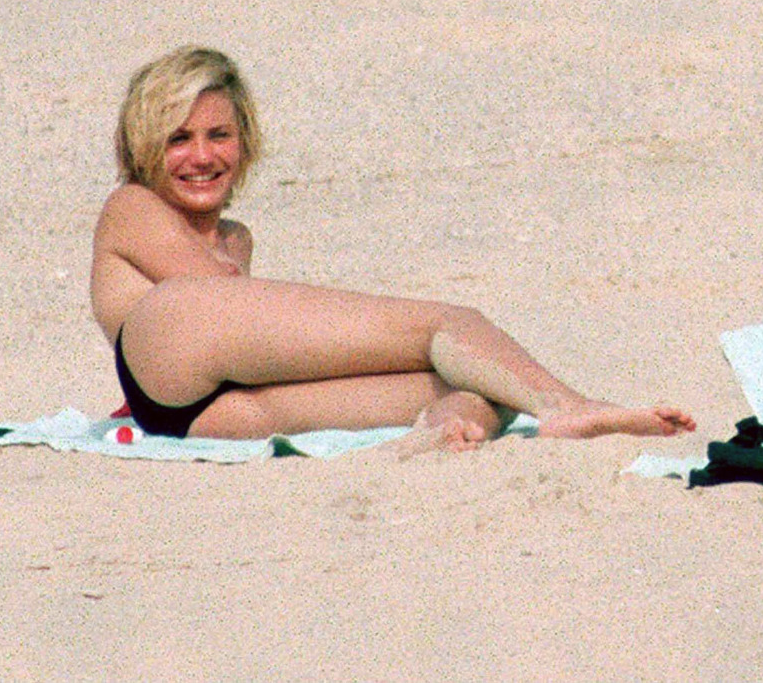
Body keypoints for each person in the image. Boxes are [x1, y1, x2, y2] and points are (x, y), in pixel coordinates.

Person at [91, 46, 695, 452]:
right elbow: (221, 303)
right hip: (160, 366)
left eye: (219, 135)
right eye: (178, 139)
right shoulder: (132, 206)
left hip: (209, 415)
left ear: (245, 142)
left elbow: (253, 345)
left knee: (484, 380)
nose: (202, 157)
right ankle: (568, 406)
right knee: (447, 324)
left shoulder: (236, 237)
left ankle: (447, 427)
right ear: (144, 145)